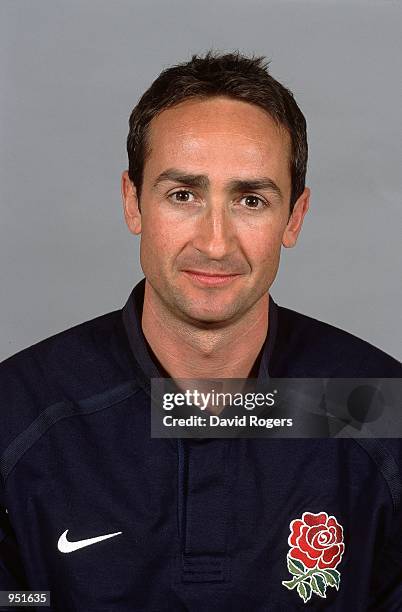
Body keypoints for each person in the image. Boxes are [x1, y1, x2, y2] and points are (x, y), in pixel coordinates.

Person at [0, 52, 401, 611]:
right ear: (132, 202)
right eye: (183, 194)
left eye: (250, 199)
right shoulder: (16, 413)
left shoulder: (381, 408)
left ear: (295, 217)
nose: (215, 243)